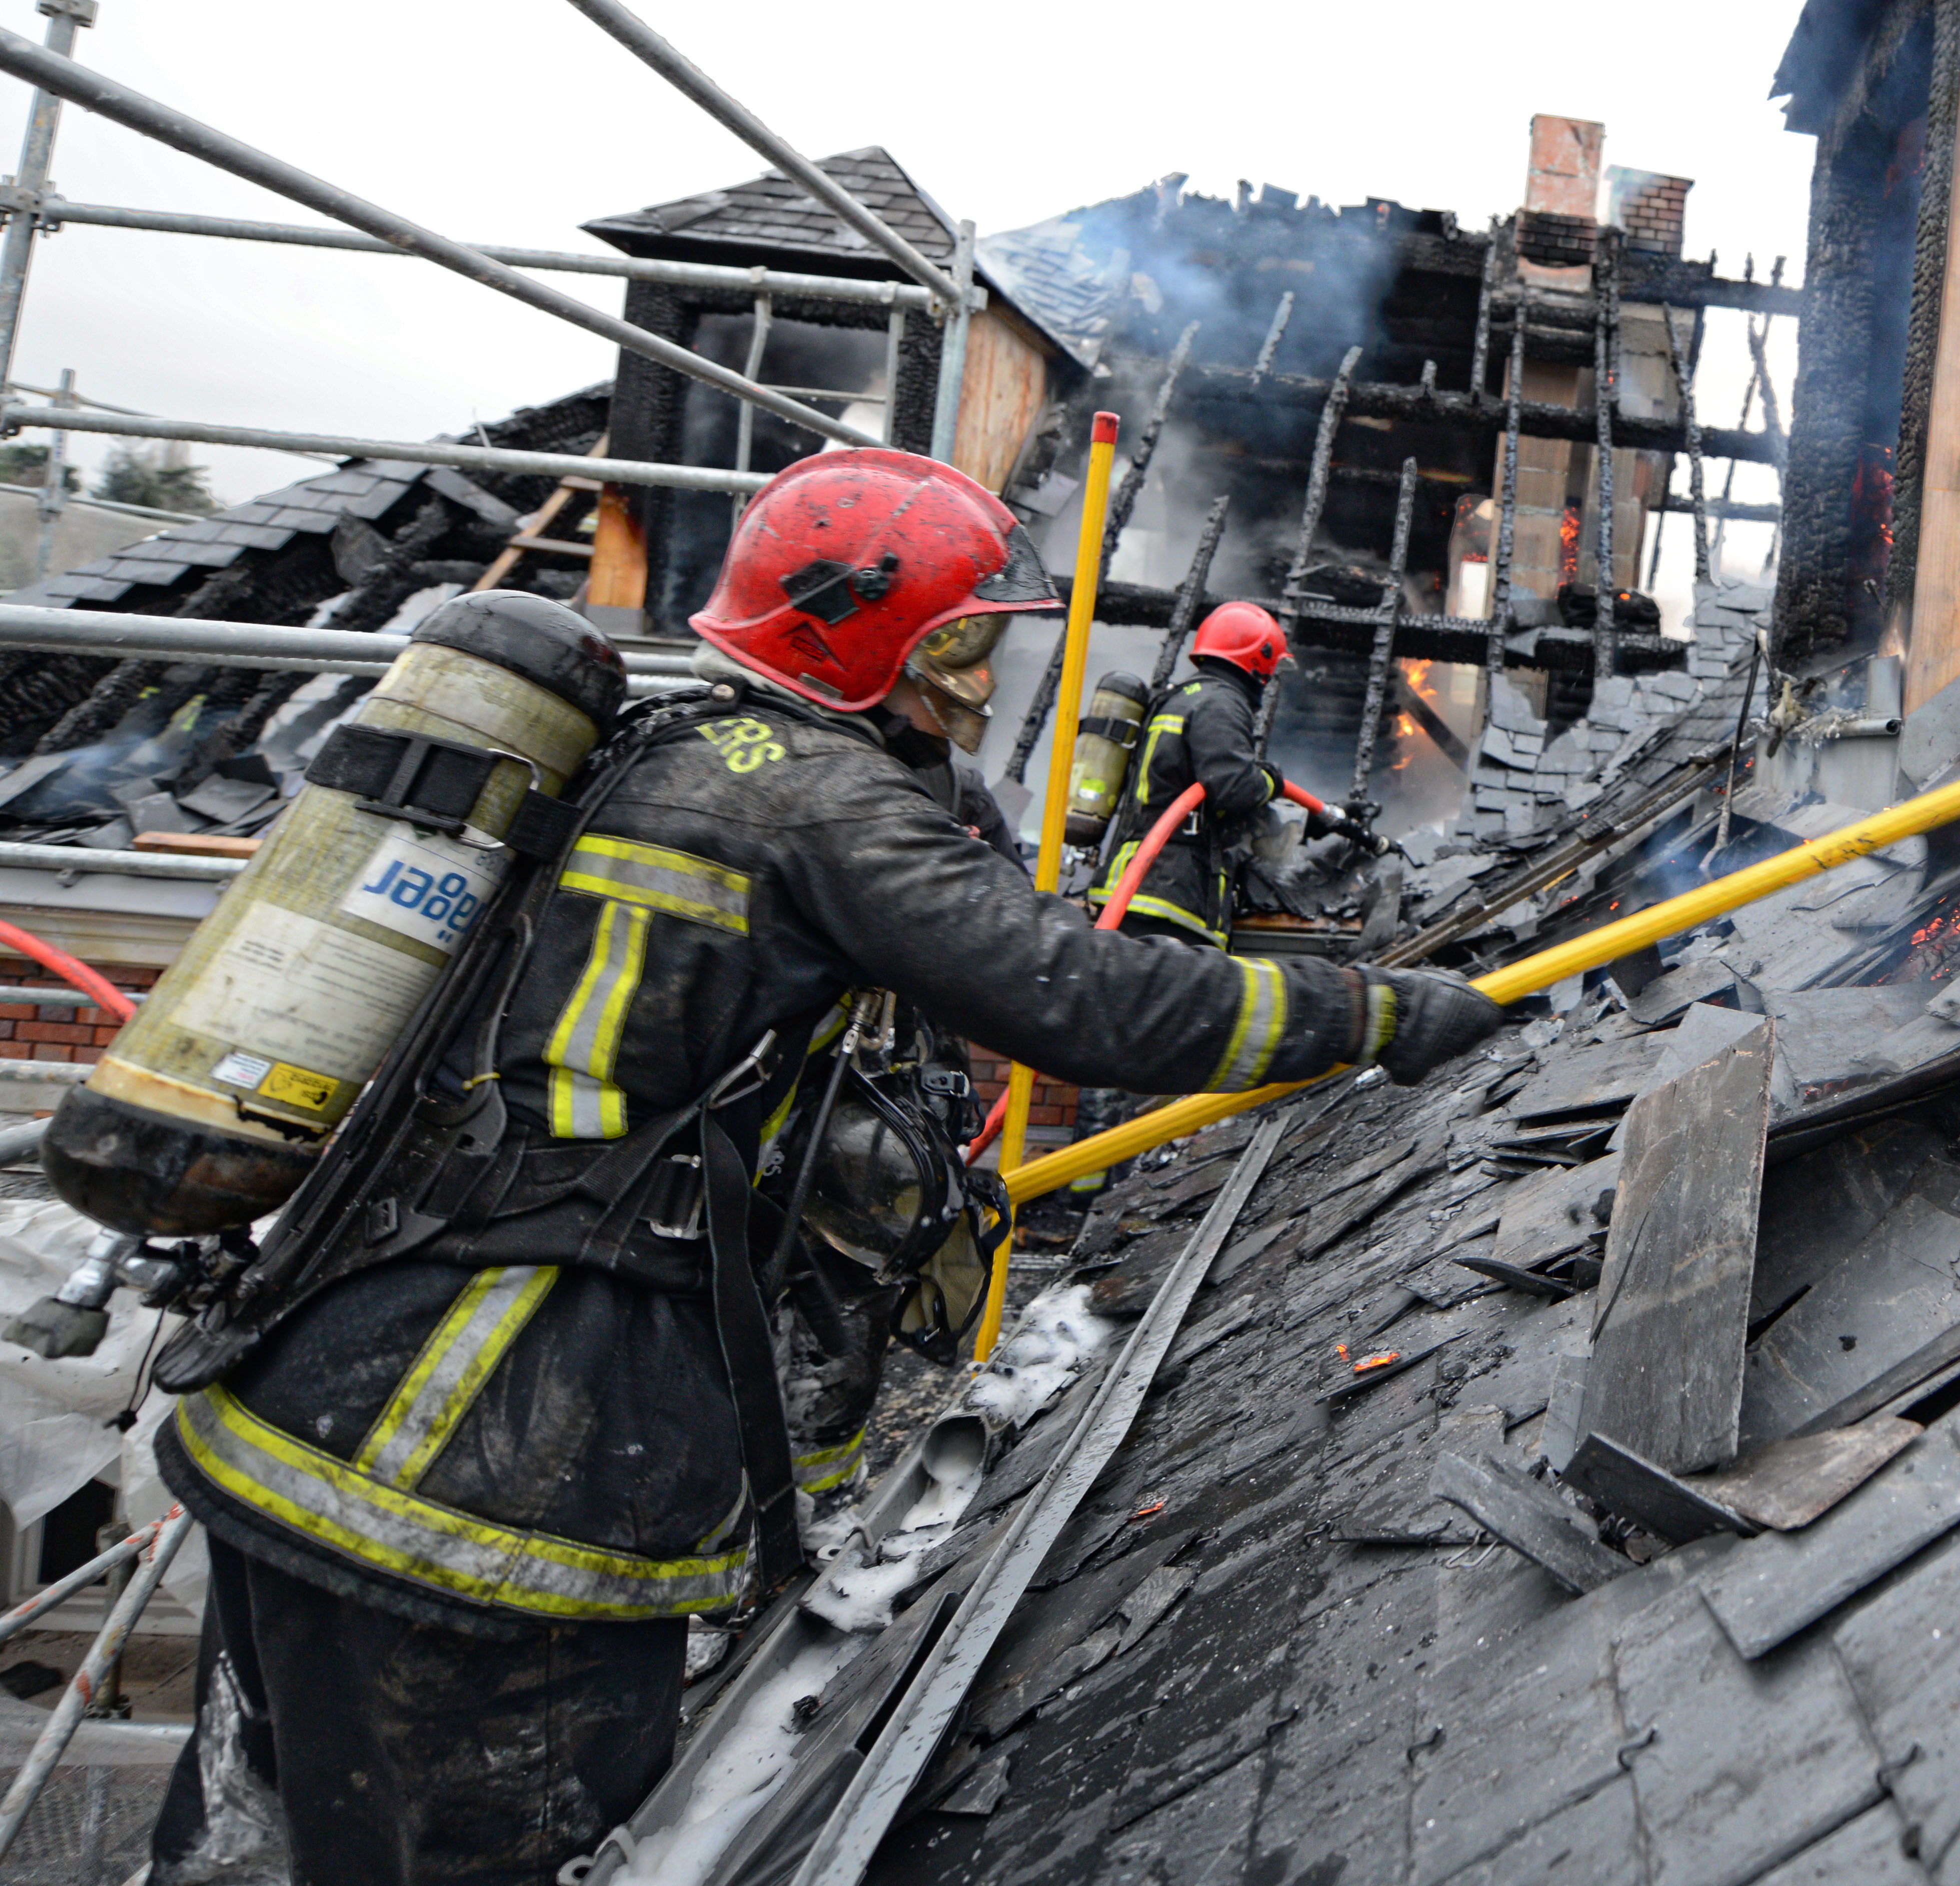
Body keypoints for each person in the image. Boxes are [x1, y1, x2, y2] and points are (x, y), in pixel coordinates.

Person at [145, 450, 1503, 1886]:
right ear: (868, 634)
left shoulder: (664, 749)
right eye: (962, 641)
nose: (980, 681)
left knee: (269, 1839)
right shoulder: (819, 800)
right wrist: (1370, 1011)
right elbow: (1078, 999)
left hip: (303, 1403)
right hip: (484, 1468)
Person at [1096, 601, 1369, 948]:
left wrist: (1313, 820)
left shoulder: (1185, 697)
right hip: (1169, 895)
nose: (1269, 680)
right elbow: (1236, 789)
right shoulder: (1220, 704)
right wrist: (1272, 780)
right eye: (1271, 668)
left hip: (1143, 888)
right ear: (1259, 660)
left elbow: (1219, 809)